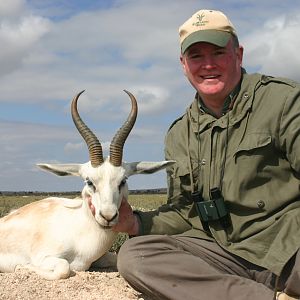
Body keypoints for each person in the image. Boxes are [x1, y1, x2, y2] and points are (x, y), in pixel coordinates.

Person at [113, 9, 300, 300]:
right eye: (196, 56)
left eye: (218, 52)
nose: (208, 64)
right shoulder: (179, 133)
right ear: (183, 64)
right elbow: (183, 212)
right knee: (135, 256)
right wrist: (135, 223)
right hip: (222, 255)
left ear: (238, 55)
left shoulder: (284, 101)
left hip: (287, 248)